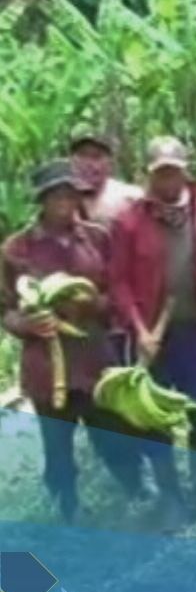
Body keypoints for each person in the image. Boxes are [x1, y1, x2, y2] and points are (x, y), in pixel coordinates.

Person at [0, 160, 145, 522]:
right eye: (56, 196)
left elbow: (118, 292)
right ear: (43, 201)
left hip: (95, 353)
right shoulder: (16, 250)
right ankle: (67, 504)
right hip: (47, 362)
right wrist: (27, 324)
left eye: (71, 195)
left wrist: (94, 302)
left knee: (112, 427)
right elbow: (4, 309)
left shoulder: (98, 237)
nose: (65, 203)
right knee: (58, 440)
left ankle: (134, 487)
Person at [110, 136, 196, 519]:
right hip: (152, 337)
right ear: (149, 174)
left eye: (173, 171)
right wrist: (138, 329)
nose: (167, 179)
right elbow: (118, 281)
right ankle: (170, 495)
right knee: (153, 419)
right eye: (160, 172)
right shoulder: (129, 222)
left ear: (184, 171)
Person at [68, 131, 143, 226]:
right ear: (71, 160)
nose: (88, 164)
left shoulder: (131, 197)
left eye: (96, 157)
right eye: (82, 156)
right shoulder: (58, 199)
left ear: (110, 164)